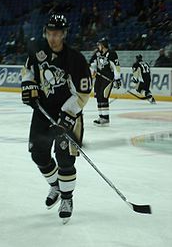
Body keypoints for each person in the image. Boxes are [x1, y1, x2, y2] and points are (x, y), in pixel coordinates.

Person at [21, 14, 92, 223]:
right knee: (37, 153)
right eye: (50, 34)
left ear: (64, 34)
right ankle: (56, 186)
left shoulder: (76, 59)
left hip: (68, 115)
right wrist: (29, 86)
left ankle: (67, 199)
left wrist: (67, 116)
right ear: (46, 33)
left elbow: (82, 94)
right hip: (43, 111)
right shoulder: (37, 50)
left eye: (57, 34)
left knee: (65, 160)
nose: (53, 38)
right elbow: (28, 71)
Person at [89, 37, 121, 126]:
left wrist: (117, 78)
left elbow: (116, 66)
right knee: (98, 96)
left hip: (108, 78)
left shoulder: (112, 54)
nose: (98, 46)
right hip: (99, 78)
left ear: (103, 45)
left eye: (99, 44)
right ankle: (101, 116)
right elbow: (93, 64)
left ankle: (105, 118)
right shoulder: (97, 53)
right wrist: (92, 71)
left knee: (103, 96)